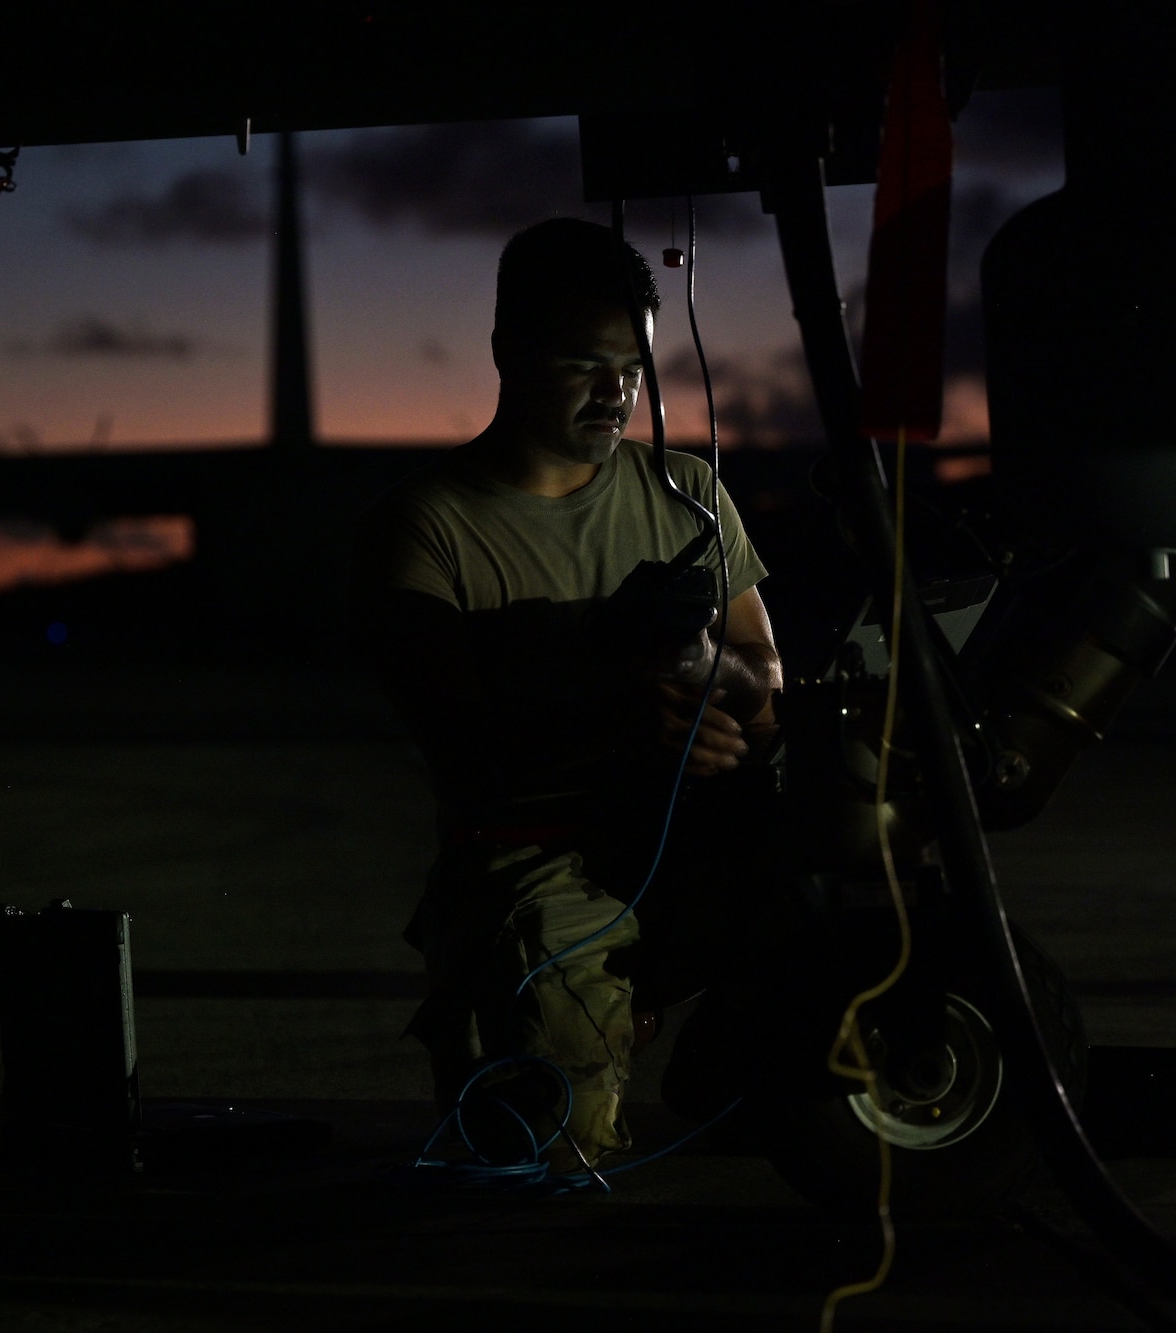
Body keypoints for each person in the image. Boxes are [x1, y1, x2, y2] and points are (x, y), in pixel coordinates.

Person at [357, 218, 783, 1168]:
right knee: (551, 1146)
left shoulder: (686, 489)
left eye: (631, 366)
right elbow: (460, 739)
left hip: (694, 836)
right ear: (508, 352)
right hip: (534, 857)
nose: (616, 391)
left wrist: (702, 682)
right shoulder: (425, 527)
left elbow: (767, 675)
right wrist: (618, 716)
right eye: (584, 363)